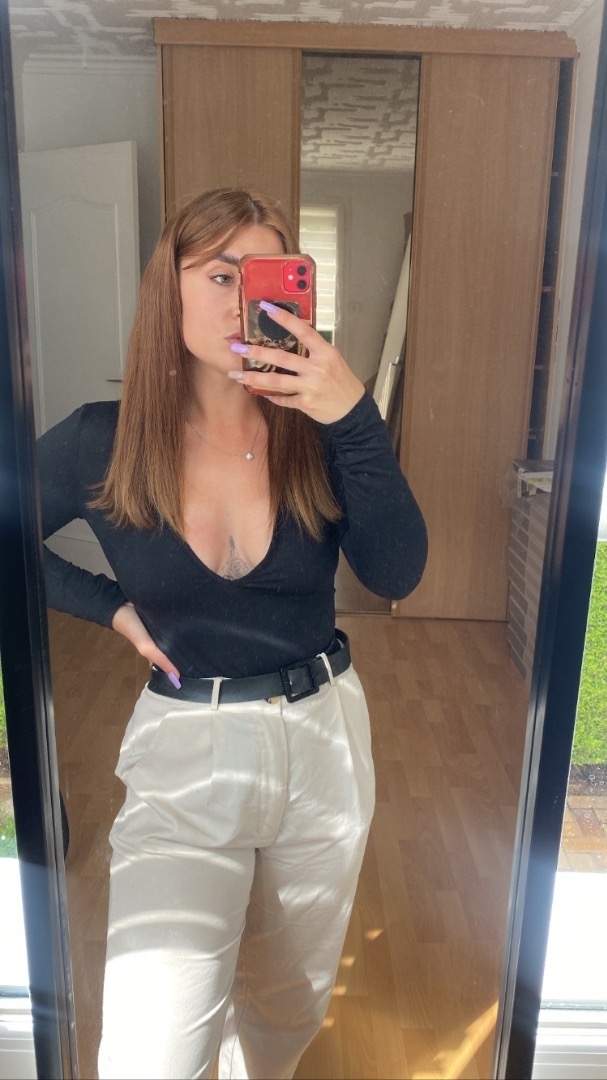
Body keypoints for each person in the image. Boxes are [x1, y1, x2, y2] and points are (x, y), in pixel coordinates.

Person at [37, 188, 428, 1080]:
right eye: (219, 275)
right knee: (153, 1049)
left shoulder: (320, 435)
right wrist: (112, 608)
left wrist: (353, 416)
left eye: (264, 275)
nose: (243, 297)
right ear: (165, 292)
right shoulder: (101, 441)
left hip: (322, 742)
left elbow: (396, 574)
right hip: (184, 753)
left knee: (288, 1009)